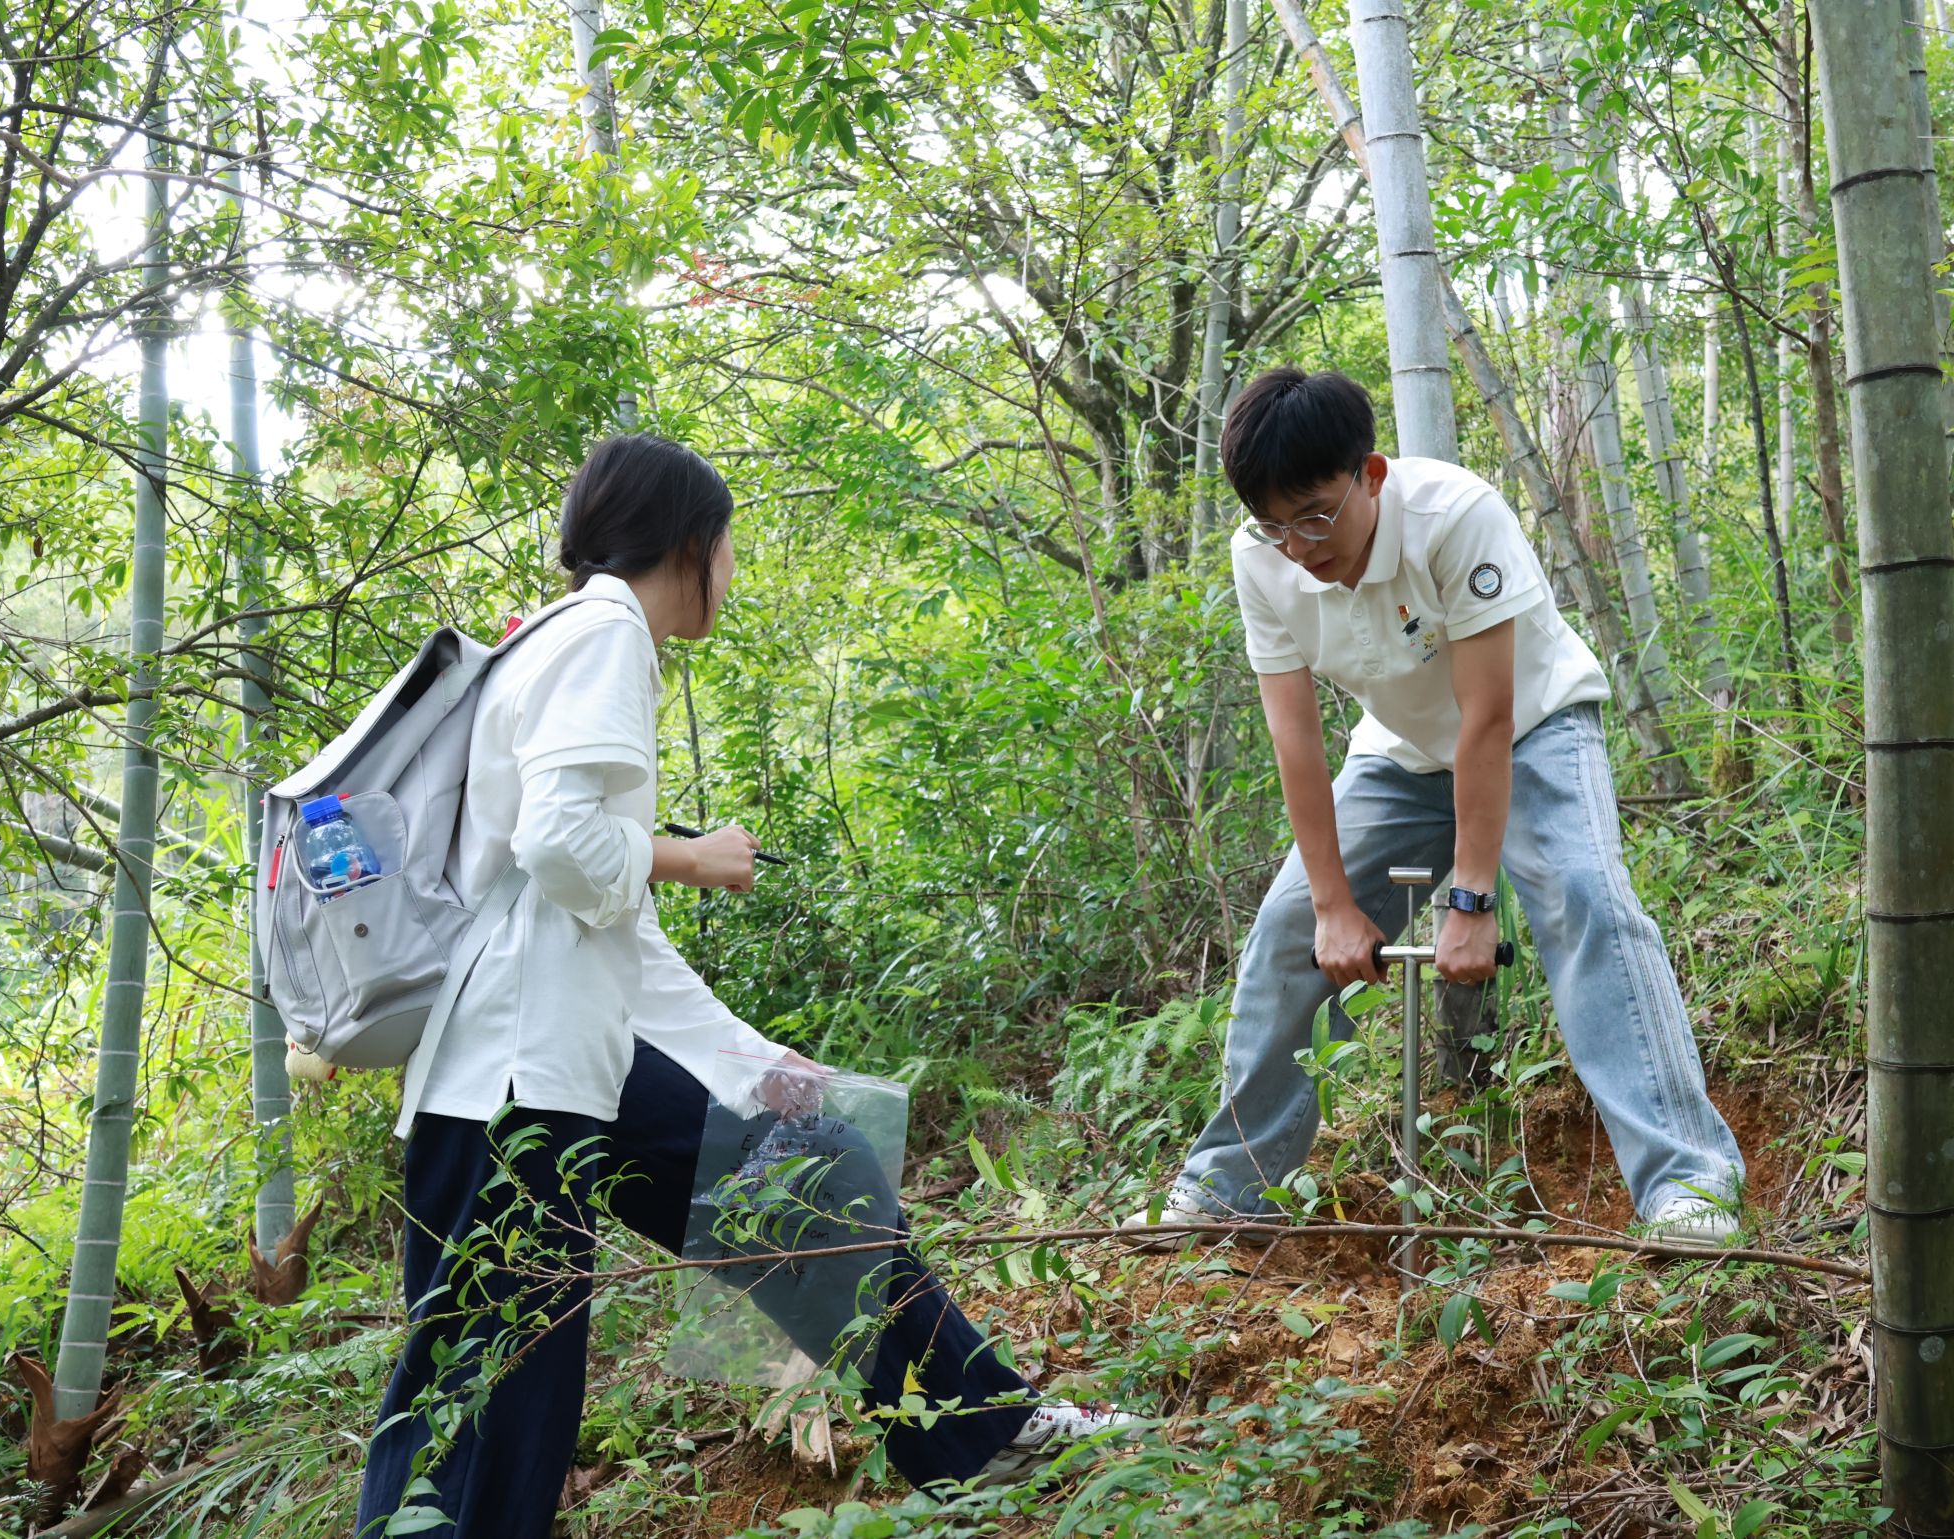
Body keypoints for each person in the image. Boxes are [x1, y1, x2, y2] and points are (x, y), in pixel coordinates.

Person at [355, 435, 1136, 1539]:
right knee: (487, 1389)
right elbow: (561, 846)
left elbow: (609, 926)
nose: (730, 570)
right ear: (690, 543)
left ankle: (983, 1432)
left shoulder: (559, 639)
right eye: (727, 546)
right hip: (515, 1081)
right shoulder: (603, 633)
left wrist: (751, 1063)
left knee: (810, 1175)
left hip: (572, 1055)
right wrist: (694, 853)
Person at [1125, 369, 1745, 1248]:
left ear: (1370, 475)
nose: (1297, 545)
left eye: (1315, 516)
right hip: (1401, 748)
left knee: (1585, 897)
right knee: (1288, 925)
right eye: (1274, 523)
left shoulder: (1456, 517)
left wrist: (1472, 900)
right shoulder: (1261, 555)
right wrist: (1333, 905)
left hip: (1533, 725)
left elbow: (1488, 717)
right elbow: (1295, 740)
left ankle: (1690, 1184)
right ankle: (1229, 1189)